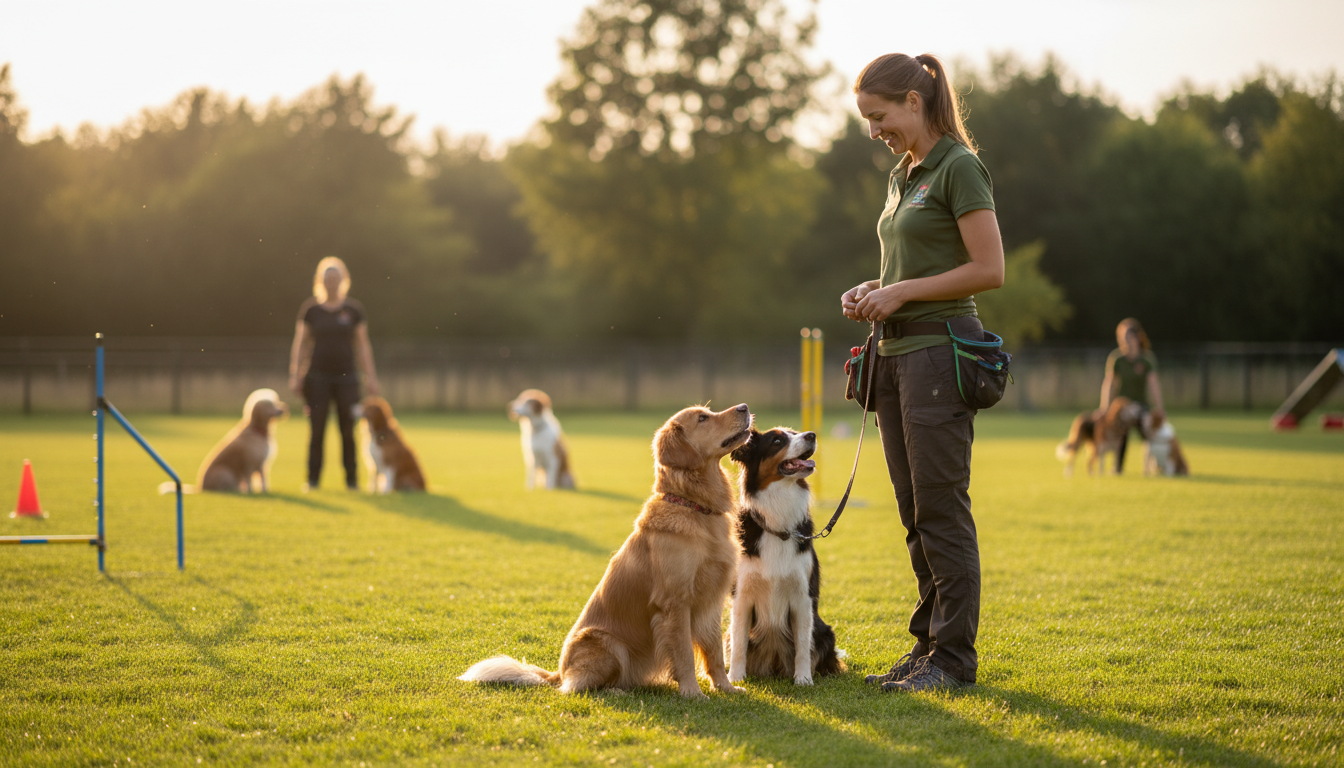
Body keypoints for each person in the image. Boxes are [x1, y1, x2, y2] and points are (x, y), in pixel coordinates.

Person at [840, 53, 1004, 693]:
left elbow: (988, 269)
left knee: (941, 511)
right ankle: (927, 648)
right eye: (866, 119)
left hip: (939, 357)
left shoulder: (958, 166)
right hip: (894, 358)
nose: (874, 130)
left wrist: (902, 292)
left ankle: (953, 661)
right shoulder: (902, 174)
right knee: (914, 514)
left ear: (914, 100)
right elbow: (914, 266)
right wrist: (875, 289)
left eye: (879, 116)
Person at [288, 257, 382, 491]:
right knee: (317, 430)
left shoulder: (353, 310)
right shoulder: (311, 310)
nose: (332, 282)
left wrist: (370, 376)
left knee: (348, 431)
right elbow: (301, 344)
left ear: (344, 280)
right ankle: (313, 481)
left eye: (336, 278)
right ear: (320, 281)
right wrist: (295, 375)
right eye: (327, 278)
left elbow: (362, 345)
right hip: (317, 378)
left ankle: (352, 481)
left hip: (347, 379)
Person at [1100, 318, 1165, 473]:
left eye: (1130, 338)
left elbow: (1154, 385)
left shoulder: (1146, 359)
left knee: (1150, 433)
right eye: (1124, 338)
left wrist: (1160, 407)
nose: (1127, 342)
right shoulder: (1117, 359)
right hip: (1122, 408)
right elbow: (1109, 383)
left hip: (1141, 406)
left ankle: (1155, 464)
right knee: (1121, 430)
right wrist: (1105, 407)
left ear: (1138, 338)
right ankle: (1117, 466)